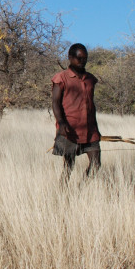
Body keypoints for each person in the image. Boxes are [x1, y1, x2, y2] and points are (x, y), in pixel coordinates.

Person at [51, 43, 101, 184]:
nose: (82, 61)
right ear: (70, 58)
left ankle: (80, 189)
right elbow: (55, 103)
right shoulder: (61, 78)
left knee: (96, 164)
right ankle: (63, 192)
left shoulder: (90, 79)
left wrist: (96, 129)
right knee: (68, 167)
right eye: (79, 58)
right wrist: (61, 123)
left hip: (90, 130)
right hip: (70, 129)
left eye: (85, 58)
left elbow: (92, 105)